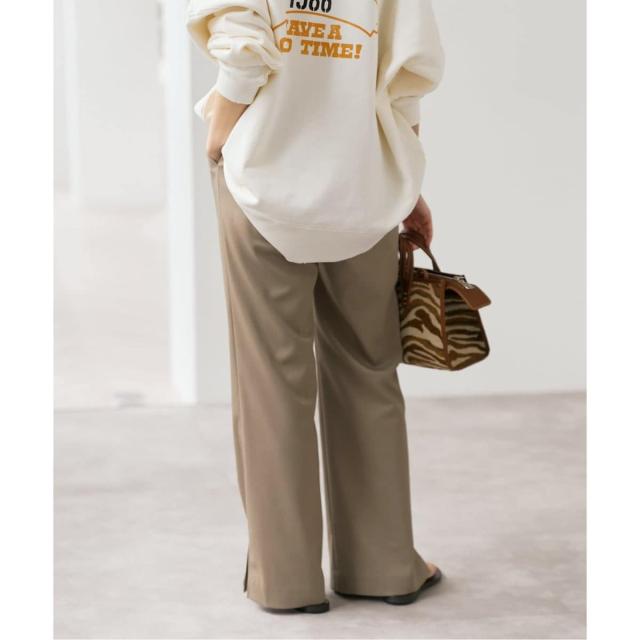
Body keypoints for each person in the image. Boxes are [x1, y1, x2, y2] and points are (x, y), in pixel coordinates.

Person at [186, 0, 445, 614]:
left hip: (264, 180)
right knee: (369, 370)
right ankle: (384, 567)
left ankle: (286, 579)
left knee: (272, 378)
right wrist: (406, 182)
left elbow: (243, 45)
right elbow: (406, 72)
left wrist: (220, 135)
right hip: (362, 182)